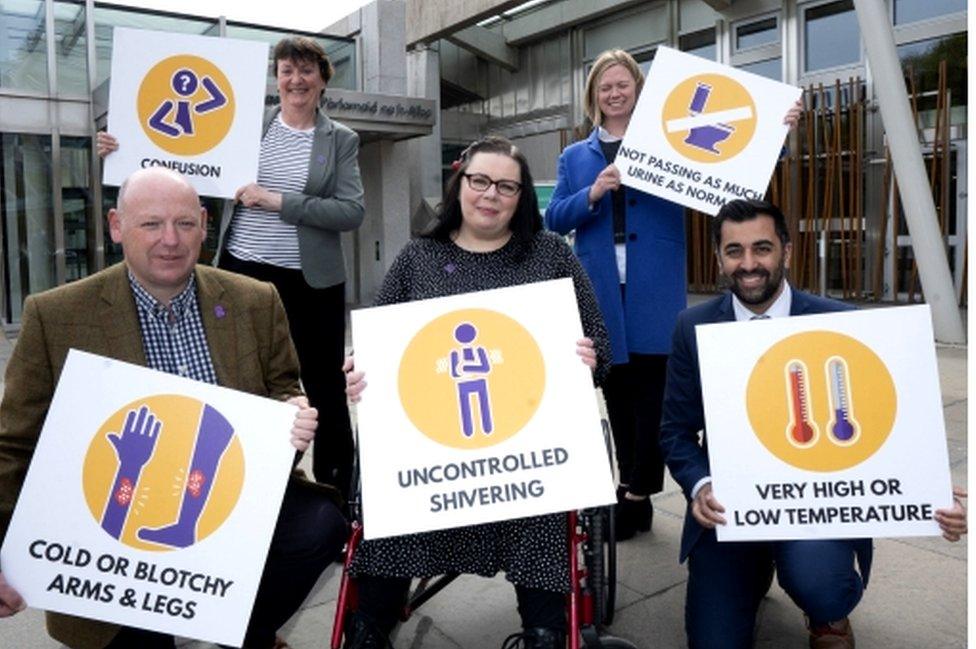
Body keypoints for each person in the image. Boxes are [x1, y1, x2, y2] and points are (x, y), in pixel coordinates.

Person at [0, 168, 348, 649]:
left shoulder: (254, 301)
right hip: (113, 527)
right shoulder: (56, 316)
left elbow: (283, 392)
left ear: (205, 225)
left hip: (226, 500)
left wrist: (289, 417)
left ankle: (241, 629)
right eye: (151, 224)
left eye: (185, 224)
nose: (170, 240)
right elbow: (12, 444)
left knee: (320, 525)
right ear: (116, 225)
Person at [659, 198, 968, 649]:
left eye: (762, 248)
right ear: (718, 258)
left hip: (815, 502)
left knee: (821, 583)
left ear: (786, 250)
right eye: (734, 251)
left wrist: (932, 492)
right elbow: (676, 432)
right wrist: (700, 484)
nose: (748, 264)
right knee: (714, 642)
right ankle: (755, 572)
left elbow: (890, 424)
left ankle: (827, 614)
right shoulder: (693, 326)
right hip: (734, 505)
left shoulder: (841, 322)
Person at [342, 136, 611, 649]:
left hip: (525, 445)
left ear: (522, 196)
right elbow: (376, 347)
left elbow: (600, 341)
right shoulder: (418, 258)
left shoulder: (550, 255)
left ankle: (544, 632)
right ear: (460, 183)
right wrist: (358, 371)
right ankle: (370, 626)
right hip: (433, 446)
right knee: (396, 503)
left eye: (506, 186)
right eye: (480, 181)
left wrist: (587, 359)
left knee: (543, 508)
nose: (491, 195)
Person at [546, 49, 803, 539]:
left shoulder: (669, 141)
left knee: (657, 397)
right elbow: (554, 218)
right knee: (617, 396)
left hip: (654, 284)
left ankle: (638, 491)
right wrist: (593, 194)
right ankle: (634, 492)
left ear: (639, 91)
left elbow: (732, 169)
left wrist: (778, 133)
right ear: (593, 96)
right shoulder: (574, 156)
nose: (615, 93)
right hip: (600, 287)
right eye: (606, 87)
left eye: (623, 85)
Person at [98, 36, 365, 500]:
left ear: (322, 79)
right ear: (276, 78)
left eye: (306, 71)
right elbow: (185, 160)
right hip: (242, 272)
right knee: (241, 378)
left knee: (323, 384)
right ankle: (243, 487)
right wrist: (126, 150)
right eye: (286, 70)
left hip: (311, 281)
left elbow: (351, 211)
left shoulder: (340, 139)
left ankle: (340, 494)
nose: (295, 80)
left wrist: (276, 201)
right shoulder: (246, 127)